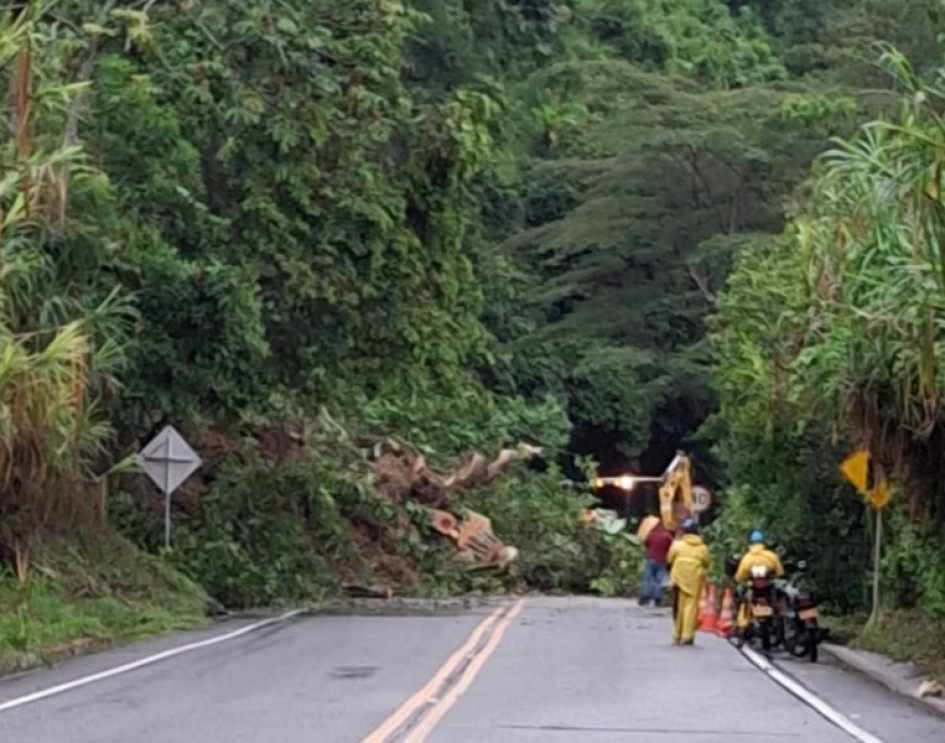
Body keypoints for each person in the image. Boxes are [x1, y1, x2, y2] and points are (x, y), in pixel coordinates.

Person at [667, 518, 711, 645]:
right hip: (694, 581)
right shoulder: (702, 548)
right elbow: (707, 563)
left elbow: (669, 559)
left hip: (678, 580)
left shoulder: (677, 545)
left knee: (679, 607)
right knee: (690, 607)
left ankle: (677, 634)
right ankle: (687, 635)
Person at [734, 530, 785, 631]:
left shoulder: (747, 558)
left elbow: (739, 576)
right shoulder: (771, 556)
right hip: (768, 587)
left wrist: (740, 580)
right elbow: (780, 572)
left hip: (752, 587)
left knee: (741, 596)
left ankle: (744, 623)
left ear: (751, 543)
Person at [639, 519, 673, 607]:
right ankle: (657, 599)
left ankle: (645, 597)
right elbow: (671, 548)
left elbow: (646, 543)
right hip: (662, 561)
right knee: (659, 580)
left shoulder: (652, 535)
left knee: (648, 579)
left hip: (651, 559)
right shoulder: (667, 536)